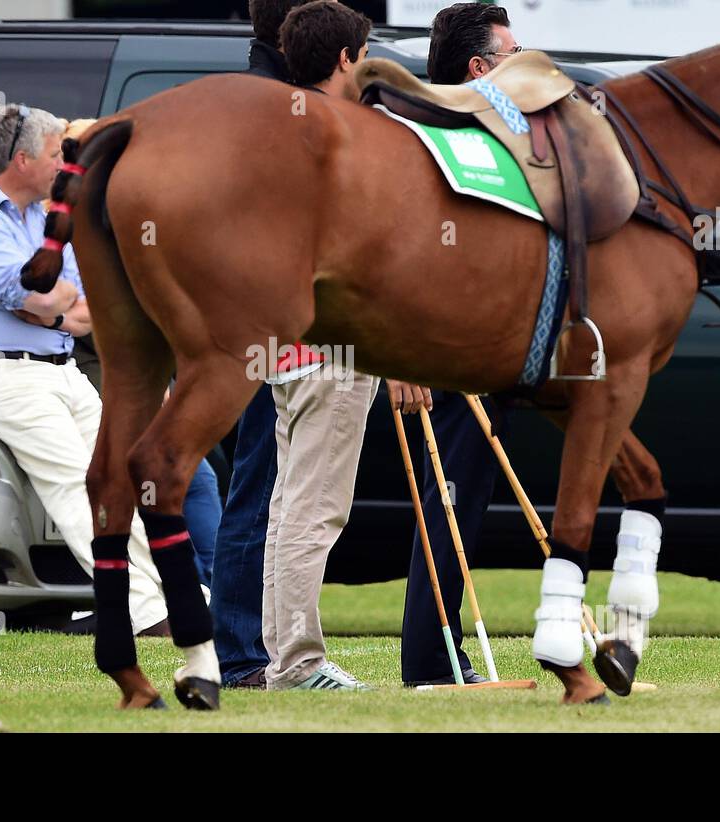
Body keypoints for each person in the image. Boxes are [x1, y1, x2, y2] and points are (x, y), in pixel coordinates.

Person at [0, 104, 175, 636]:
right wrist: (50, 304)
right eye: (56, 155)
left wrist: (50, 307)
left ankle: (163, 594)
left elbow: (82, 300)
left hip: (62, 369)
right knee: (75, 483)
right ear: (21, 161)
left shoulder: (42, 217)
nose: (66, 165)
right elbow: (34, 290)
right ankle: (143, 611)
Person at [259, 0, 431, 692]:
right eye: (363, 54)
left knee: (288, 507)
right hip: (332, 347)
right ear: (343, 60)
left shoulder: (276, 129)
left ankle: (285, 660)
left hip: (287, 345)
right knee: (313, 508)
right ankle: (297, 664)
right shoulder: (338, 136)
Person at [398, 0, 519, 687]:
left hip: (478, 348)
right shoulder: (434, 136)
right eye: (513, 55)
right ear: (480, 68)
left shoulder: (473, 131)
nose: (524, 67)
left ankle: (443, 659)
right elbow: (406, 253)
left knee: (462, 505)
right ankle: (432, 662)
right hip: (442, 354)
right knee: (444, 507)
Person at [209, 0, 310, 691]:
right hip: (261, 324)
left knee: (268, 487)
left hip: (254, 320)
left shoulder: (259, 95)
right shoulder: (268, 103)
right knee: (260, 487)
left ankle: (255, 647)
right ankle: (243, 652)